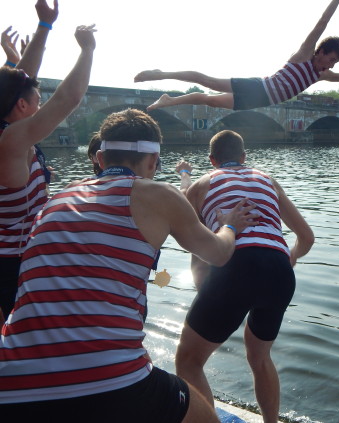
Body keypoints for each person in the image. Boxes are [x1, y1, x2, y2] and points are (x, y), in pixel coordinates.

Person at [0, 108, 259, 423]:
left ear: (100, 159)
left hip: (11, 383)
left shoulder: (53, 201)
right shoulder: (158, 194)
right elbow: (218, 254)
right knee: (205, 416)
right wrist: (230, 225)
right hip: (108, 383)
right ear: (152, 162)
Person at [175, 130, 315, 423]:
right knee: (260, 357)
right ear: (244, 157)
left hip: (235, 268)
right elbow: (306, 237)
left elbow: (195, 245)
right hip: (278, 271)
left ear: (212, 160)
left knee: (188, 361)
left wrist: (203, 285)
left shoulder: (201, 185)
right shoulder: (268, 180)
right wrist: (288, 257)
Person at [134, 0, 339, 111]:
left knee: (209, 101)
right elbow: (321, 25)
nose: (332, 64)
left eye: (335, 62)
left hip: (259, 101)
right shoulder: (303, 55)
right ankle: (162, 74)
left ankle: (168, 101)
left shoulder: (320, 76)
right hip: (257, 86)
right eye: (331, 58)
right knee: (208, 82)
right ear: (322, 52)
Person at [0, 0, 67, 325]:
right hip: (13, 259)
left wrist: (44, 27)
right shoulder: (11, 141)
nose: (39, 107)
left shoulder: (8, 127)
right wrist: (86, 52)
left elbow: (22, 81)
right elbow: (67, 99)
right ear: (22, 107)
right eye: (36, 103)